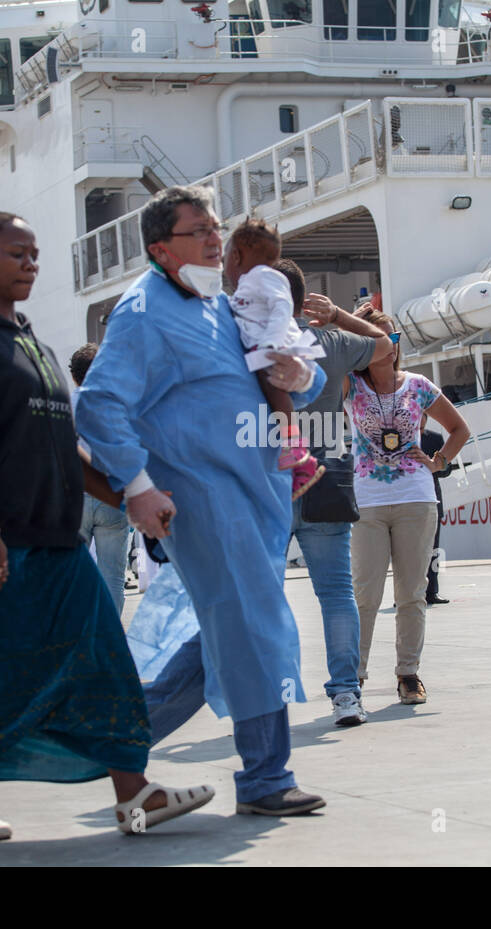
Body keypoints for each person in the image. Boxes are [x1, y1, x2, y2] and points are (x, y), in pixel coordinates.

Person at [0, 210, 212, 838]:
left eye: (35, 253)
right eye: (15, 253)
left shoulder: (37, 346)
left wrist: (131, 494)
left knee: (104, 660)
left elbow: (63, 449)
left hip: (58, 541)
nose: (30, 263)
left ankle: (136, 794)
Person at [77, 185, 330, 816]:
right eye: (200, 231)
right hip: (207, 501)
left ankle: (105, 740)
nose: (217, 240)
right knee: (249, 627)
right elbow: (99, 405)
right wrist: (136, 487)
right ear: (161, 248)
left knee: (226, 634)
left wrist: (305, 377)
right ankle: (267, 778)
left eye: (217, 228)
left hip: (259, 502)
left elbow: (288, 358)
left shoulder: (222, 301)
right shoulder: (143, 313)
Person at [286, 260, 394, 725]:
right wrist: (337, 317)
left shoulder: (246, 343)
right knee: (335, 592)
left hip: (266, 480)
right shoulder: (329, 341)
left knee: (263, 593)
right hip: (326, 475)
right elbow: (384, 347)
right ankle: (347, 694)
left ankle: (270, 692)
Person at [345, 311, 470, 704]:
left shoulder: (418, 386)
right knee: (364, 594)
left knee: (412, 594)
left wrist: (440, 462)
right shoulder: (348, 386)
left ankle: (408, 674)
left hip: (416, 498)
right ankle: (354, 678)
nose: (387, 345)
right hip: (367, 502)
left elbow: (459, 429)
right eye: (376, 338)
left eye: (391, 336)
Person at [224, 217, 325, 499]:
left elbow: (282, 306)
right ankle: (296, 455)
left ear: (236, 256)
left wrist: (271, 343)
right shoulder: (244, 287)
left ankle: (296, 448)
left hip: (277, 346)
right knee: (270, 390)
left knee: (274, 387)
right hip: (262, 349)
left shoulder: (264, 276)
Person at [69, 343, 131, 614]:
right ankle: (111, 638)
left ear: (74, 376)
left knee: (72, 576)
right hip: (112, 495)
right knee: (114, 577)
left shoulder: (63, 403)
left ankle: (77, 638)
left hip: (74, 497)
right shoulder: (120, 403)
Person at [419, 416, 453, 607]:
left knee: (433, 550)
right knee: (405, 551)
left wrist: (434, 466)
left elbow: (447, 469)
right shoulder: (401, 438)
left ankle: (432, 592)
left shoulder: (435, 438)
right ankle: (405, 594)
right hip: (408, 501)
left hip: (433, 497)